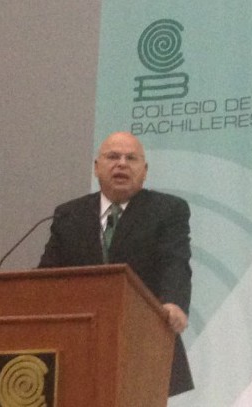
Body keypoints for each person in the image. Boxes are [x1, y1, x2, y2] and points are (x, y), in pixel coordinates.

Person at [38, 131, 194, 396]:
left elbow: (175, 261)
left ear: (145, 171)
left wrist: (173, 301)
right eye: (113, 157)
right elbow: (48, 275)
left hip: (143, 342)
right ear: (96, 167)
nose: (121, 164)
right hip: (77, 344)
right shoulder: (70, 214)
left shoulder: (167, 210)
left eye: (131, 158)